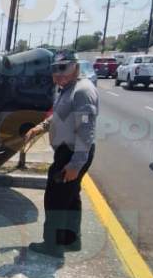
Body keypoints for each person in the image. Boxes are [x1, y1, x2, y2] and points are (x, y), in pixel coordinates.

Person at [23, 50, 98, 255]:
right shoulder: (67, 89)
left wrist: (75, 164)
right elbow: (59, 115)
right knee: (70, 197)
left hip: (73, 153)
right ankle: (71, 240)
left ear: (75, 66)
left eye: (63, 67)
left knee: (55, 199)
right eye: (54, 69)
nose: (58, 74)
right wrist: (41, 127)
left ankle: (52, 245)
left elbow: (86, 129)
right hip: (68, 152)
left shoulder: (82, 91)